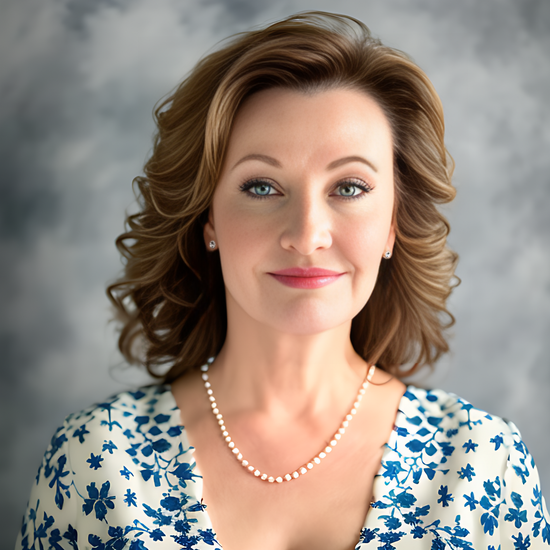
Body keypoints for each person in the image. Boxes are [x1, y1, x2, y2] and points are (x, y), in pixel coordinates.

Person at [15, 11, 549, 550]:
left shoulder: (486, 466)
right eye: (262, 187)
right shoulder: (94, 465)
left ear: (393, 225)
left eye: (350, 187)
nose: (307, 234)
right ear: (208, 221)